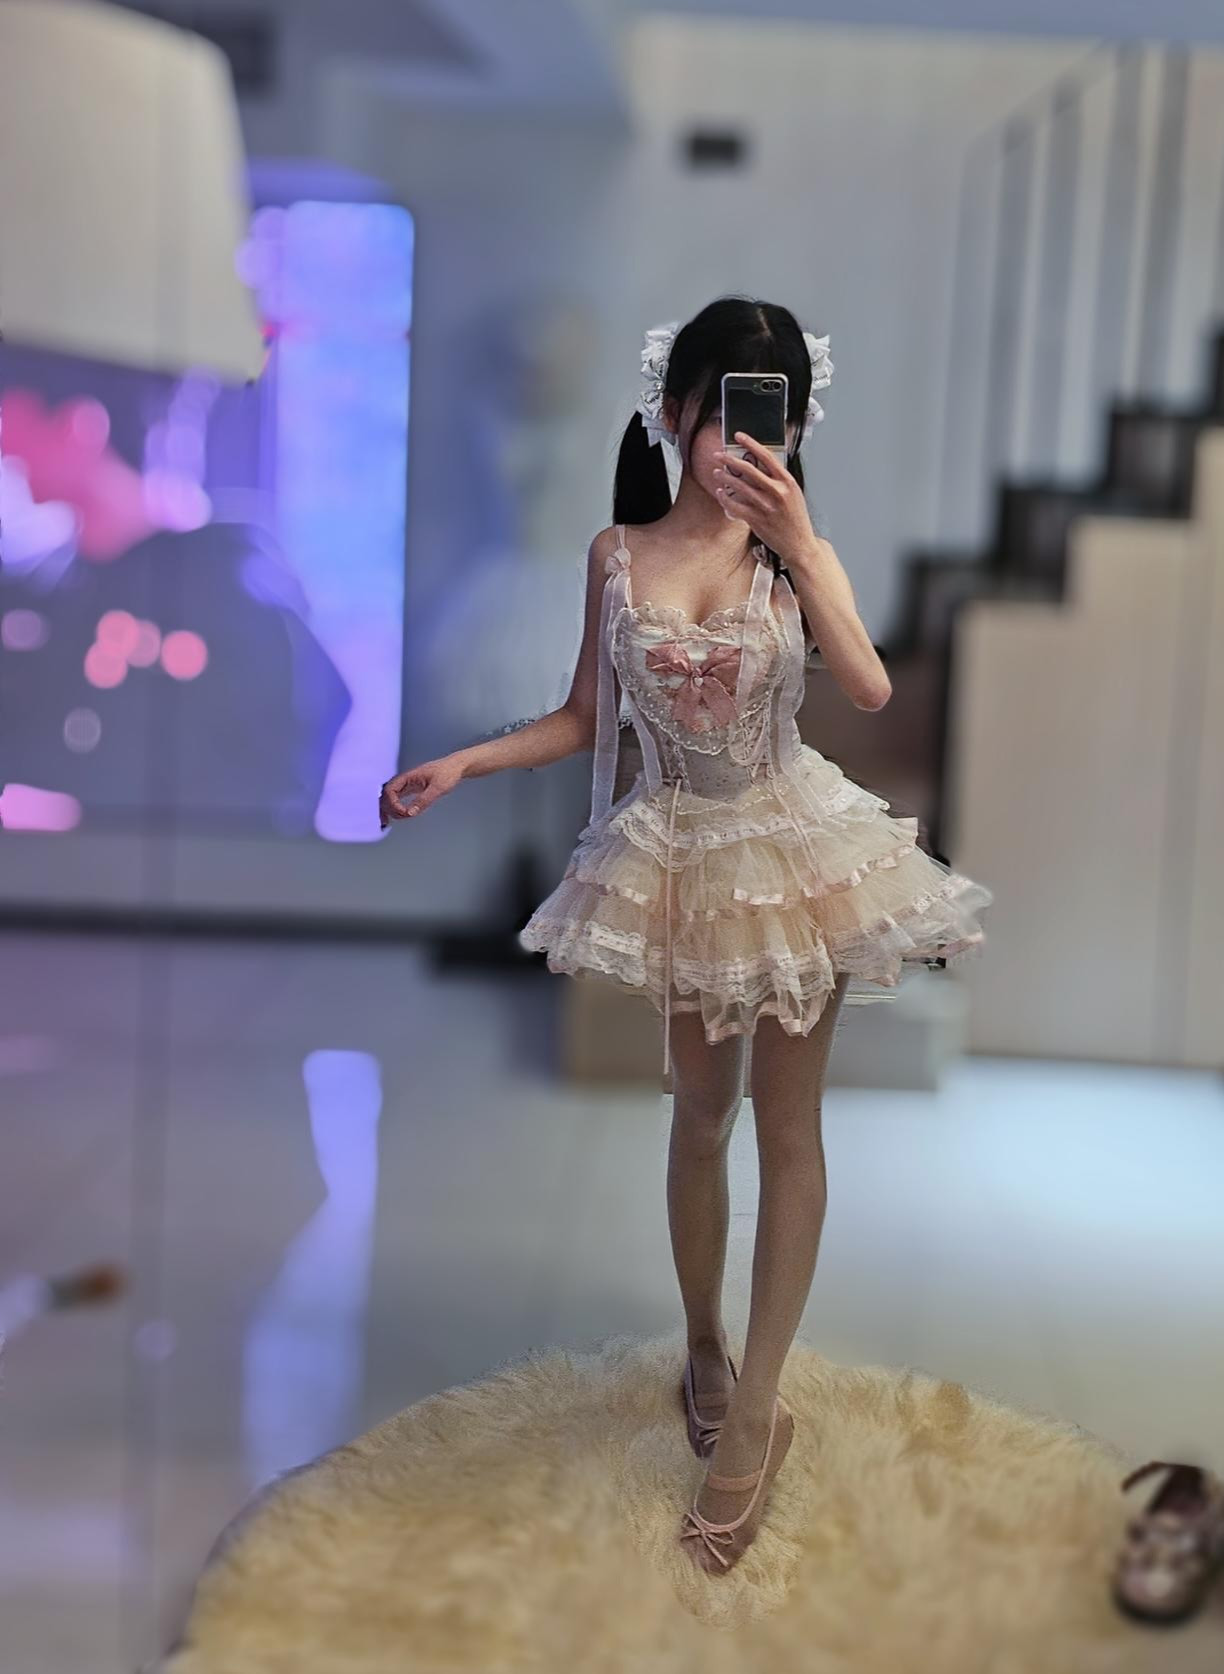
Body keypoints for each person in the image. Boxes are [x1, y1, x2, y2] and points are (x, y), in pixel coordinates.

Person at [378, 297, 992, 1576]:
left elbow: (869, 684)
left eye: (774, 419)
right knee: (700, 1117)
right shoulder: (617, 554)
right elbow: (581, 717)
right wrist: (465, 762)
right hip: (680, 855)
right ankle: (704, 1343)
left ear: (796, 429)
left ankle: (756, 1409)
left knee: (789, 1127)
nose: (744, 443)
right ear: (672, 415)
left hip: (796, 850)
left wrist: (804, 546)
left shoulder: (795, 557)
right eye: (723, 415)